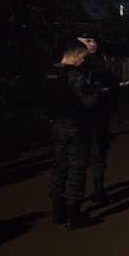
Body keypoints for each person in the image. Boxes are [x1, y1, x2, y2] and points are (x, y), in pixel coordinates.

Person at [45, 39, 101, 229]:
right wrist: (96, 91)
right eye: (83, 57)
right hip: (75, 127)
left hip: (55, 127)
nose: (83, 61)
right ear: (76, 54)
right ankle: (73, 215)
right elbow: (89, 101)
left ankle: (57, 212)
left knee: (59, 167)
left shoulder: (50, 72)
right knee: (76, 169)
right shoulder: (74, 75)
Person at [77, 30, 119, 205]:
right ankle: (76, 197)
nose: (93, 44)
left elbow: (113, 87)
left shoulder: (102, 61)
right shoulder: (75, 63)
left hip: (99, 117)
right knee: (78, 159)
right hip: (79, 119)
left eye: (94, 40)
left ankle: (99, 191)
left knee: (99, 155)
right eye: (88, 40)